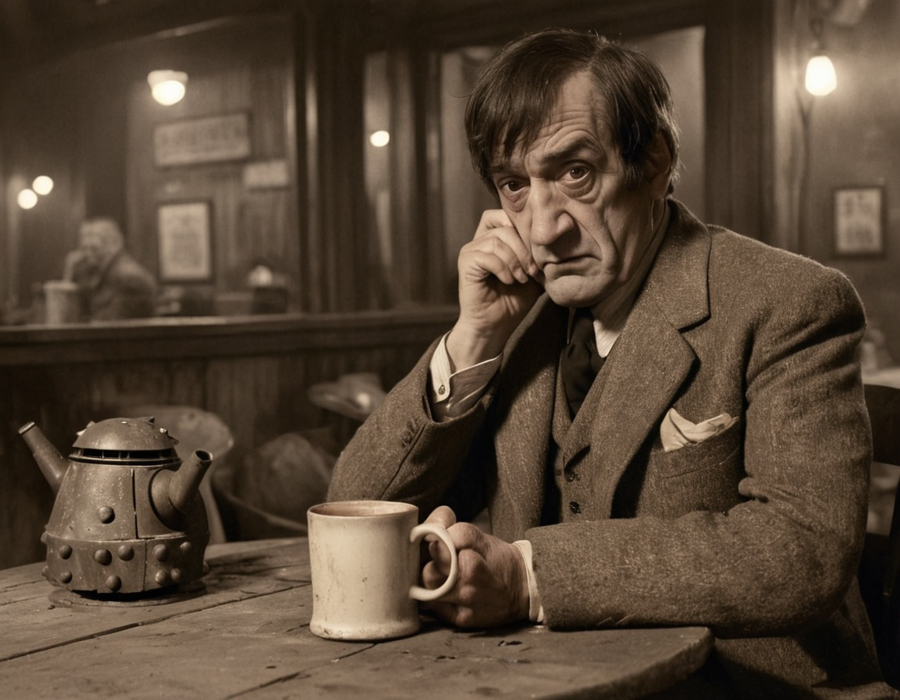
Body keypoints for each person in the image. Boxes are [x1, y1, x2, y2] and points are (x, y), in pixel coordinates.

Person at [328, 29, 895, 698]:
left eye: (575, 173)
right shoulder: (516, 318)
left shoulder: (790, 301)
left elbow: (800, 551)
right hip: (538, 683)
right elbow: (352, 510)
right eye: (515, 185)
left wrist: (527, 577)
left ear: (653, 163)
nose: (544, 229)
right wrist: (472, 338)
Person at [63, 216, 157, 321]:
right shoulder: (101, 273)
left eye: (94, 248)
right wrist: (70, 272)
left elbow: (108, 325)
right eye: (84, 248)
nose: (86, 254)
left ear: (113, 245)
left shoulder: (131, 280)